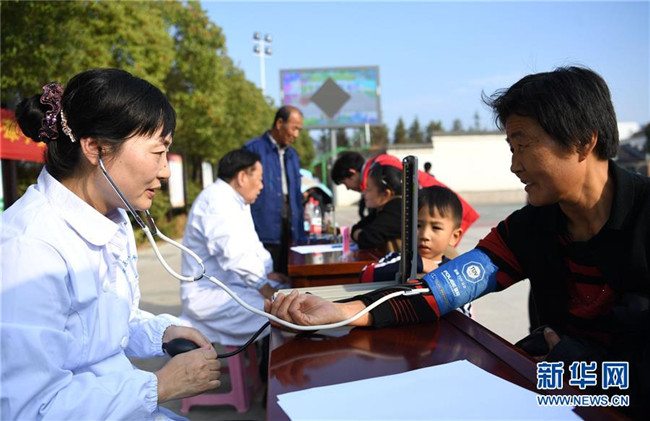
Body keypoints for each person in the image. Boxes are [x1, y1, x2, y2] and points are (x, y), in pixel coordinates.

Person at [267, 66, 649, 417]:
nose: (514, 166)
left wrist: (584, 368)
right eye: (511, 149)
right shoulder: (530, 228)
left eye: (524, 145)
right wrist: (344, 311)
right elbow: (442, 289)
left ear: (582, 141)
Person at [0, 69, 220, 420]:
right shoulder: (28, 249)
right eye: (158, 152)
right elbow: (29, 409)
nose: (165, 171)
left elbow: (106, 325)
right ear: (96, 148)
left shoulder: (112, 219)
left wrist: (161, 333)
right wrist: (159, 386)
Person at [179, 148, 289, 347]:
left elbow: (252, 246)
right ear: (242, 177)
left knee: (288, 298)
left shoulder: (234, 200)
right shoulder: (216, 201)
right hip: (209, 296)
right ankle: (280, 366)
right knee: (284, 312)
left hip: (232, 286)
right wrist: (266, 287)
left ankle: (274, 362)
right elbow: (235, 255)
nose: (262, 186)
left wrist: (268, 274)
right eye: (259, 179)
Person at [358, 185, 471, 316]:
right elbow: (365, 275)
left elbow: (464, 315)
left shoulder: (456, 274)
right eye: (417, 225)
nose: (424, 235)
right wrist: (415, 263)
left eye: (436, 227)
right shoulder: (397, 259)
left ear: (454, 236)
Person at [331, 150, 479, 242]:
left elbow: (396, 211)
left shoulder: (382, 167)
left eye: (345, 184)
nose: (349, 189)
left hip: (444, 213)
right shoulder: (378, 166)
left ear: (352, 173)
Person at [244, 105, 306, 274]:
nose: (296, 135)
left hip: (291, 230)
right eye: (294, 128)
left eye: (299, 130)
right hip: (264, 230)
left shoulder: (292, 155)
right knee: (267, 279)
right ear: (279, 123)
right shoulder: (253, 150)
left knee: (290, 278)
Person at [350, 163, 402, 250]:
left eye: (368, 188)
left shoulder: (396, 210)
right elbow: (358, 227)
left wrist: (357, 234)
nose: (364, 193)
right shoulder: (380, 209)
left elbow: (366, 238)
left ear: (385, 194)